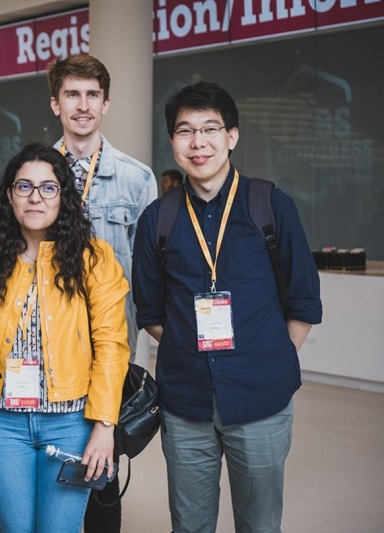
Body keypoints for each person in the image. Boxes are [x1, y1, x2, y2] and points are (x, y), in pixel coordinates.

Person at [132, 81, 322, 532]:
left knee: (259, 524)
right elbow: (150, 311)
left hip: (261, 401)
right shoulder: (158, 219)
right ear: (173, 141)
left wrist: (268, 356)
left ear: (232, 136)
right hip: (186, 403)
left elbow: (303, 299)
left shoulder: (269, 205)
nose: (198, 142)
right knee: (190, 525)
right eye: (185, 131)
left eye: (210, 128)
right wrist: (192, 351)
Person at [0, 143, 130, 532]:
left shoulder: (94, 259)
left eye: (48, 187)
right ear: (9, 194)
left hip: (71, 422)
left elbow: (111, 347)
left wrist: (104, 427)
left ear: (64, 196)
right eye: (23, 186)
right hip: (4, 425)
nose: (35, 197)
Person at [48, 54, 157, 530]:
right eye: (72, 94)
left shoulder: (137, 179)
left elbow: (152, 278)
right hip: (48, 355)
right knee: (51, 476)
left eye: (93, 95)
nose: (83, 105)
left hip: (110, 356)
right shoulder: (34, 175)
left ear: (107, 103)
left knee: (101, 480)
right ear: (56, 103)